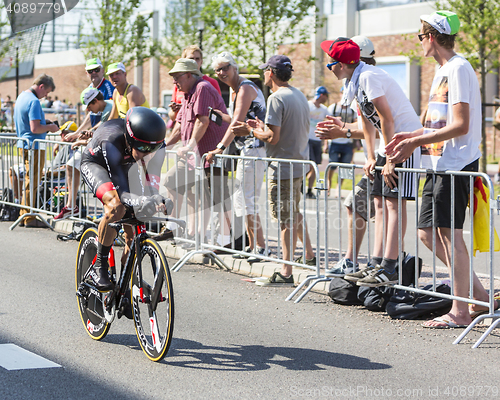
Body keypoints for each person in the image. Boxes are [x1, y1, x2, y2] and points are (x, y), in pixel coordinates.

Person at [385, 11, 499, 328]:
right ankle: (479, 297)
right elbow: (435, 122)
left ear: (431, 37)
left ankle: (461, 312)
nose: (419, 42)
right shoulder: (442, 71)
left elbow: (460, 125)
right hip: (437, 164)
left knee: (450, 236)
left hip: (455, 164)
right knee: (426, 234)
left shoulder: (459, 69)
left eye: (420, 36)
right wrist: (413, 137)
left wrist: (412, 145)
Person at [321, 37, 421, 287]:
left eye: (330, 63)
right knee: (379, 203)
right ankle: (376, 262)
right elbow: (367, 122)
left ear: (341, 64)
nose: (329, 67)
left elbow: (386, 119)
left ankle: (390, 265)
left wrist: (389, 157)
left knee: (393, 204)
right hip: (389, 146)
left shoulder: (368, 76)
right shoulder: (354, 81)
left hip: (404, 143)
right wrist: (370, 156)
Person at [232, 55, 315, 284]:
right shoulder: (298, 94)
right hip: (298, 163)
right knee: (294, 212)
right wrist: (261, 127)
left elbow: (272, 138)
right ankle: (309, 255)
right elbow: (277, 130)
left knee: (285, 220)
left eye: (265, 71)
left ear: (271, 72)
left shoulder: (276, 98)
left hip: (283, 167)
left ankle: (286, 271)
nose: (263, 75)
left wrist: (251, 132)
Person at [80, 107, 168, 292]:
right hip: (98, 164)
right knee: (117, 207)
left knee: (135, 226)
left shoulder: (155, 146)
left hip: (127, 165)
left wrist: (157, 199)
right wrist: (139, 201)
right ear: (130, 139)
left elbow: (152, 183)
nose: (149, 154)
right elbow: (124, 194)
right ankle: (100, 266)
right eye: (144, 148)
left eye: (154, 148)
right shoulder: (112, 140)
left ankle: (125, 284)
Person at [316, 35, 378, 277]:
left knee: (371, 207)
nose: (332, 63)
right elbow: (368, 127)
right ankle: (364, 262)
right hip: (383, 155)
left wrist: (342, 130)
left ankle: (381, 265)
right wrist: (342, 127)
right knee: (361, 205)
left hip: (388, 156)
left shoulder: (367, 80)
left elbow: (376, 125)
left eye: (335, 59)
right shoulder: (360, 80)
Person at [206, 51, 270, 263]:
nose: (221, 73)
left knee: (247, 199)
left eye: (225, 68)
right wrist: (220, 116)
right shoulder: (236, 91)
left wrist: (219, 147)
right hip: (248, 149)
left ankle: (260, 247)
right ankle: (253, 246)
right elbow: (235, 120)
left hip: (254, 148)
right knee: (243, 199)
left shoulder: (244, 89)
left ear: (235, 68)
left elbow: (236, 124)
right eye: (218, 70)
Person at [163, 58, 230, 246]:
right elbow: (179, 126)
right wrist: (163, 146)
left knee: (213, 197)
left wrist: (189, 146)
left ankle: (218, 240)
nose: (174, 82)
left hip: (211, 154)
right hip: (193, 155)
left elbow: (203, 120)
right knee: (172, 181)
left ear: (189, 75)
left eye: (177, 77)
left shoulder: (203, 88)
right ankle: (177, 228)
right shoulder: (186, 94)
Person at [54, 88, 114, 220]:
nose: (88, 109)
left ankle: (109, 212)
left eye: (89, 106)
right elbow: (95, 128)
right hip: (98, 147)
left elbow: (101, 132)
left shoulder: (110, 107)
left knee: (103, 181)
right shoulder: (101, 108)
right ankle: (71, 206)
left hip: (109, 150)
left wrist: (81, 141)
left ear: (96, 101)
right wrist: (79, 137)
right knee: (71, 165)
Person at [14, 73, 60, 227]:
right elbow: (35, 128)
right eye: (46, 92)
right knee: (32, 181)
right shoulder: (34, 101)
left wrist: (44, 123)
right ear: (41, 86)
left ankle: (24, 213)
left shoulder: (22, 97)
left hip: (25, 144)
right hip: (33, 145)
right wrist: (51, 127)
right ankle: (29, 218)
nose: (45, 96)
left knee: (30, 180)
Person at [168, 45, 221, 124]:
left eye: (197, 59)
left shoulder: (210, 83)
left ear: (201, 61)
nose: (194, 62)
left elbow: (218, 111)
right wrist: (175, 110)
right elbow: (172, 117)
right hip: (183, 128)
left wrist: (187, 108)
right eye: (191, 59)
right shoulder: (178, 84)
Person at [326, 89, 357, 195]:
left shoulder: (353, 110)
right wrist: (326, 142)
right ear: (340, 94)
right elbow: (327, 125)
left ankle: (339, 187)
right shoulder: (333, 107)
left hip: (348, 142)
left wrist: (356, 142)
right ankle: (328, 182)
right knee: (332, 165)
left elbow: (356, 125)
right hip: (334, 142)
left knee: (345, 167)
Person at [306, 86, 330, 199]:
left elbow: (327, 123)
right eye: (326, 96)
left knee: (315, 166)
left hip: (318, 140)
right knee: (310, 164)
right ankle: (301, 182)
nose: (327, 98)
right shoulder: (308, 105)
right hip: (308, 139)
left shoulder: (324, 109)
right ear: (322, 95)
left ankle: (309, 189)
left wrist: (325, 143)